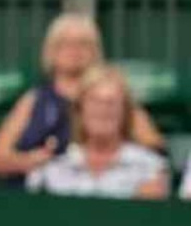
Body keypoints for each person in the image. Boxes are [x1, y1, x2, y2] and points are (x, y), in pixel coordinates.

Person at [0, 13, 164, 187]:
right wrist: (30, 161)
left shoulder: (113, 95)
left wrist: (108, 159)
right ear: (51, 51)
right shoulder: (34, 99)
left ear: (96, 51)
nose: (74, 50)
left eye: (83, 44)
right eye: (65, 43)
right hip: (37, 194)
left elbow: (153, 150)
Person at [27, 65, 169, 199]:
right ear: (80, 110)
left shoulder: (151, 168)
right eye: (94, 101)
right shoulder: (51, 167)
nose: (103, 110)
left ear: (125, 112)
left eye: (111, 103)